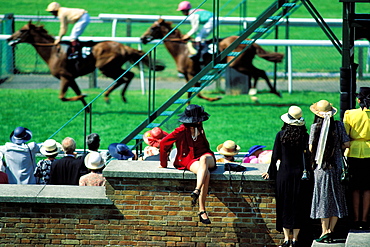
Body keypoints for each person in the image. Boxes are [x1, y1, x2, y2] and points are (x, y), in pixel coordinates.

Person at [262, 106, 311, 247]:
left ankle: (286, 239)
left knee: (284, 206)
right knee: (298, 206)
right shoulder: (304, 137)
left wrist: (270, 172)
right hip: (300, 176)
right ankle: (295, 239)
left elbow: (275, 156)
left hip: (284, 175)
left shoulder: (281, 135)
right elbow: (308, 157)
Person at [160, 104, 216, 224]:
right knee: (206, 174)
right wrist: (163, 163)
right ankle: (202, 210)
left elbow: (204, 147)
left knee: (204, 160)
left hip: (206, 156)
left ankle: (196, 190)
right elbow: (164, 143)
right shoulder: (181, 130)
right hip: (189, 159)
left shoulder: (200, 127)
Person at [309, 100, 350, 242]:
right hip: (337, 167)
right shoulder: (338, 125)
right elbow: (346, 143)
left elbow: (311, 148)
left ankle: (324, 231)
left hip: (321, 168)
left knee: (323, 200)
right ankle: (331, 231)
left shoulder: (315, 127)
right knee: (336, 199)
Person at [343, 87, 370, 230]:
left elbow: (346, 135)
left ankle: (355, 218)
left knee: (354, 188)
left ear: (359, 100)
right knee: (367, 188)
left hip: (353, 152)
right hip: (369, 152)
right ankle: (364, 219)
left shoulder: (350, 114)